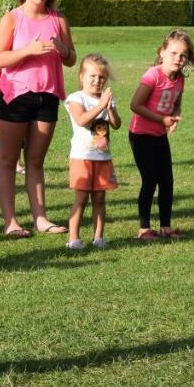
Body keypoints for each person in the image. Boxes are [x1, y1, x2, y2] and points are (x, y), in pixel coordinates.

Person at [0, 0, 76, 237]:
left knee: (36, 160)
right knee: (7, 159)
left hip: (47, 97)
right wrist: (29, 51)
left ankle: (41, 218)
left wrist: (63, 50)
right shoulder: (12, 18)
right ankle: (11, 221)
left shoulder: (59, 19)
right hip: (15, 96)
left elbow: (71, 60)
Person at [129, 30, 194, 241]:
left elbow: (177, 103)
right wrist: (161, 120)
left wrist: (175, 116)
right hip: (140, 135)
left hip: (159, 136)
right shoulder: (153, 75)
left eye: (183, 55)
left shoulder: (179, 79)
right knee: (150, 180)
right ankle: (143, 229)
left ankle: (166, 227)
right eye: (173, 53)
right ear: (162, 52)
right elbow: (135, 105)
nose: (178, 59)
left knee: (167, 181)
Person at [64, 54, 121, 250]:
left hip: (103, 158)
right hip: (82, 157)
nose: (97, 81)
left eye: (102, 78)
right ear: (82, 76)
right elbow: (82, 120)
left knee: (99, 199)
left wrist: (110, 107)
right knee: (81, 199)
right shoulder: (75, 98)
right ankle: (73, 239)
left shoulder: (106, 100)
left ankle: (98, 237)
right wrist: (100, 105)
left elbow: (116, 124)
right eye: (93, 76)